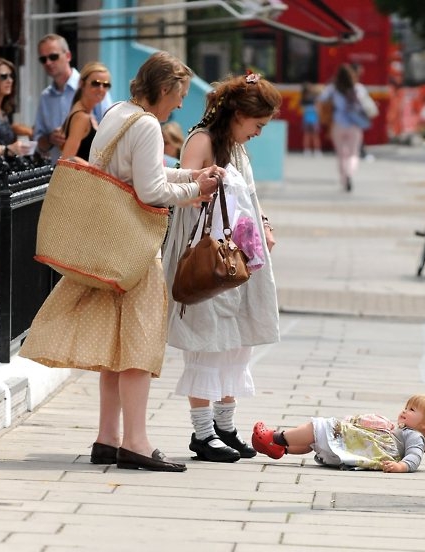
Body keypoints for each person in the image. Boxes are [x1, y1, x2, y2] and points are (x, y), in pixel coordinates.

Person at [20, 51, 221, 472]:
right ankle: (137, 442)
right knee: (138, 347)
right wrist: (195, 193)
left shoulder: (117, 112)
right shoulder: (148, 124)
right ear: (164, 89)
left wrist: (188, 177)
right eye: (179, 95)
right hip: (134, 252)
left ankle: (107, 438)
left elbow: (134, 173)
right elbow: (149, 191)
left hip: (108, 248)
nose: (180, 105)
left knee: (113, 346)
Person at [162, 72, 282, 463]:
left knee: (235, 341)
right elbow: (184, 191)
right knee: (206, 340)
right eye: (258, 124)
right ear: (238, 113)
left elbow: (249, 194)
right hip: (207, 254)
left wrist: (262, 224)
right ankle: (202, 433)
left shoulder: (235, 145)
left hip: (237, 254)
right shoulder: (203, 140)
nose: (260, 132)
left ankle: (225, 425)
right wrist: (205, 187)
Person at [252, 394, 425, 473]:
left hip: (355, 447)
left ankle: (275, 438)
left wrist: (401, 466)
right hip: (351, 450)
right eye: (406, 407)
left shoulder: (415, 437)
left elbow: (414, 456)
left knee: (321, 428)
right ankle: (282, 449)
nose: (404, 411)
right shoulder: (404, 430)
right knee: (314, 440)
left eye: (412, 410)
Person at [34, 34, 113, 164]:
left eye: (53, 56)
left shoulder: (90, 95)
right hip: (73, 178)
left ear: (68, 56)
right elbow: (67, 160)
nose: (48, 62)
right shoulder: (46, 97)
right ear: (82, 84)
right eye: (43, 59)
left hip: (82, 177)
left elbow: (109, 131)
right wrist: (50, 139)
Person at [318, 63, 371, 192]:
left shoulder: (333, 88)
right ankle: (350, 174)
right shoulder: (358, 88)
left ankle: (343, 178)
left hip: (338, 125)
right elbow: (366, 104)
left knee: (341, 154)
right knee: (353, 153)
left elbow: (321, 99)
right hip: (354, 125)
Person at [60, 61, 111, 162]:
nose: (101, 89)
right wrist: (93, 169)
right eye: (95, 83)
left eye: (105, 85)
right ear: (81, 84)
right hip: (79, 177)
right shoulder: (81, 117)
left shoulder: (86, 113)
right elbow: (67, 159)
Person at [0, 56, 32, 157]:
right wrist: (6, 150)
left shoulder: (2, 110)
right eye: (3, 76)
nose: (10, 80)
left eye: (11, 76)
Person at [300, 82, 321, 156]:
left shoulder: (314, 98)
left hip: (313, 119)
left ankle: (316, 150)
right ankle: (308, 150)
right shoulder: (304, 99)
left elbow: (318, 108)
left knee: (313, 135)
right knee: (308, 135)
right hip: (308, 119)